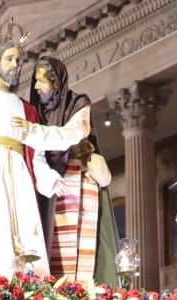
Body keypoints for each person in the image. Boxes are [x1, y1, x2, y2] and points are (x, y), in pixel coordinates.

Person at [0, 20, 87, 274]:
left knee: (25, 225)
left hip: (20, 169)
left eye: (19, 61)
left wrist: (49, 179)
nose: (15, 65)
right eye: (10, 59)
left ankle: (26, 286)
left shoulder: (27, 108)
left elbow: (36, 156)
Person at [29, 56, 118, 284]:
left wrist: (33, 132)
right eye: (36, 81)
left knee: (78, 255)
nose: (37, 87)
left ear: (56, 83)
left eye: (42, 81)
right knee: (48, 246)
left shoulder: (78, 103)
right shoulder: (35, 110)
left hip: (76, 181)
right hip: (47, 186)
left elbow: (76, 132)